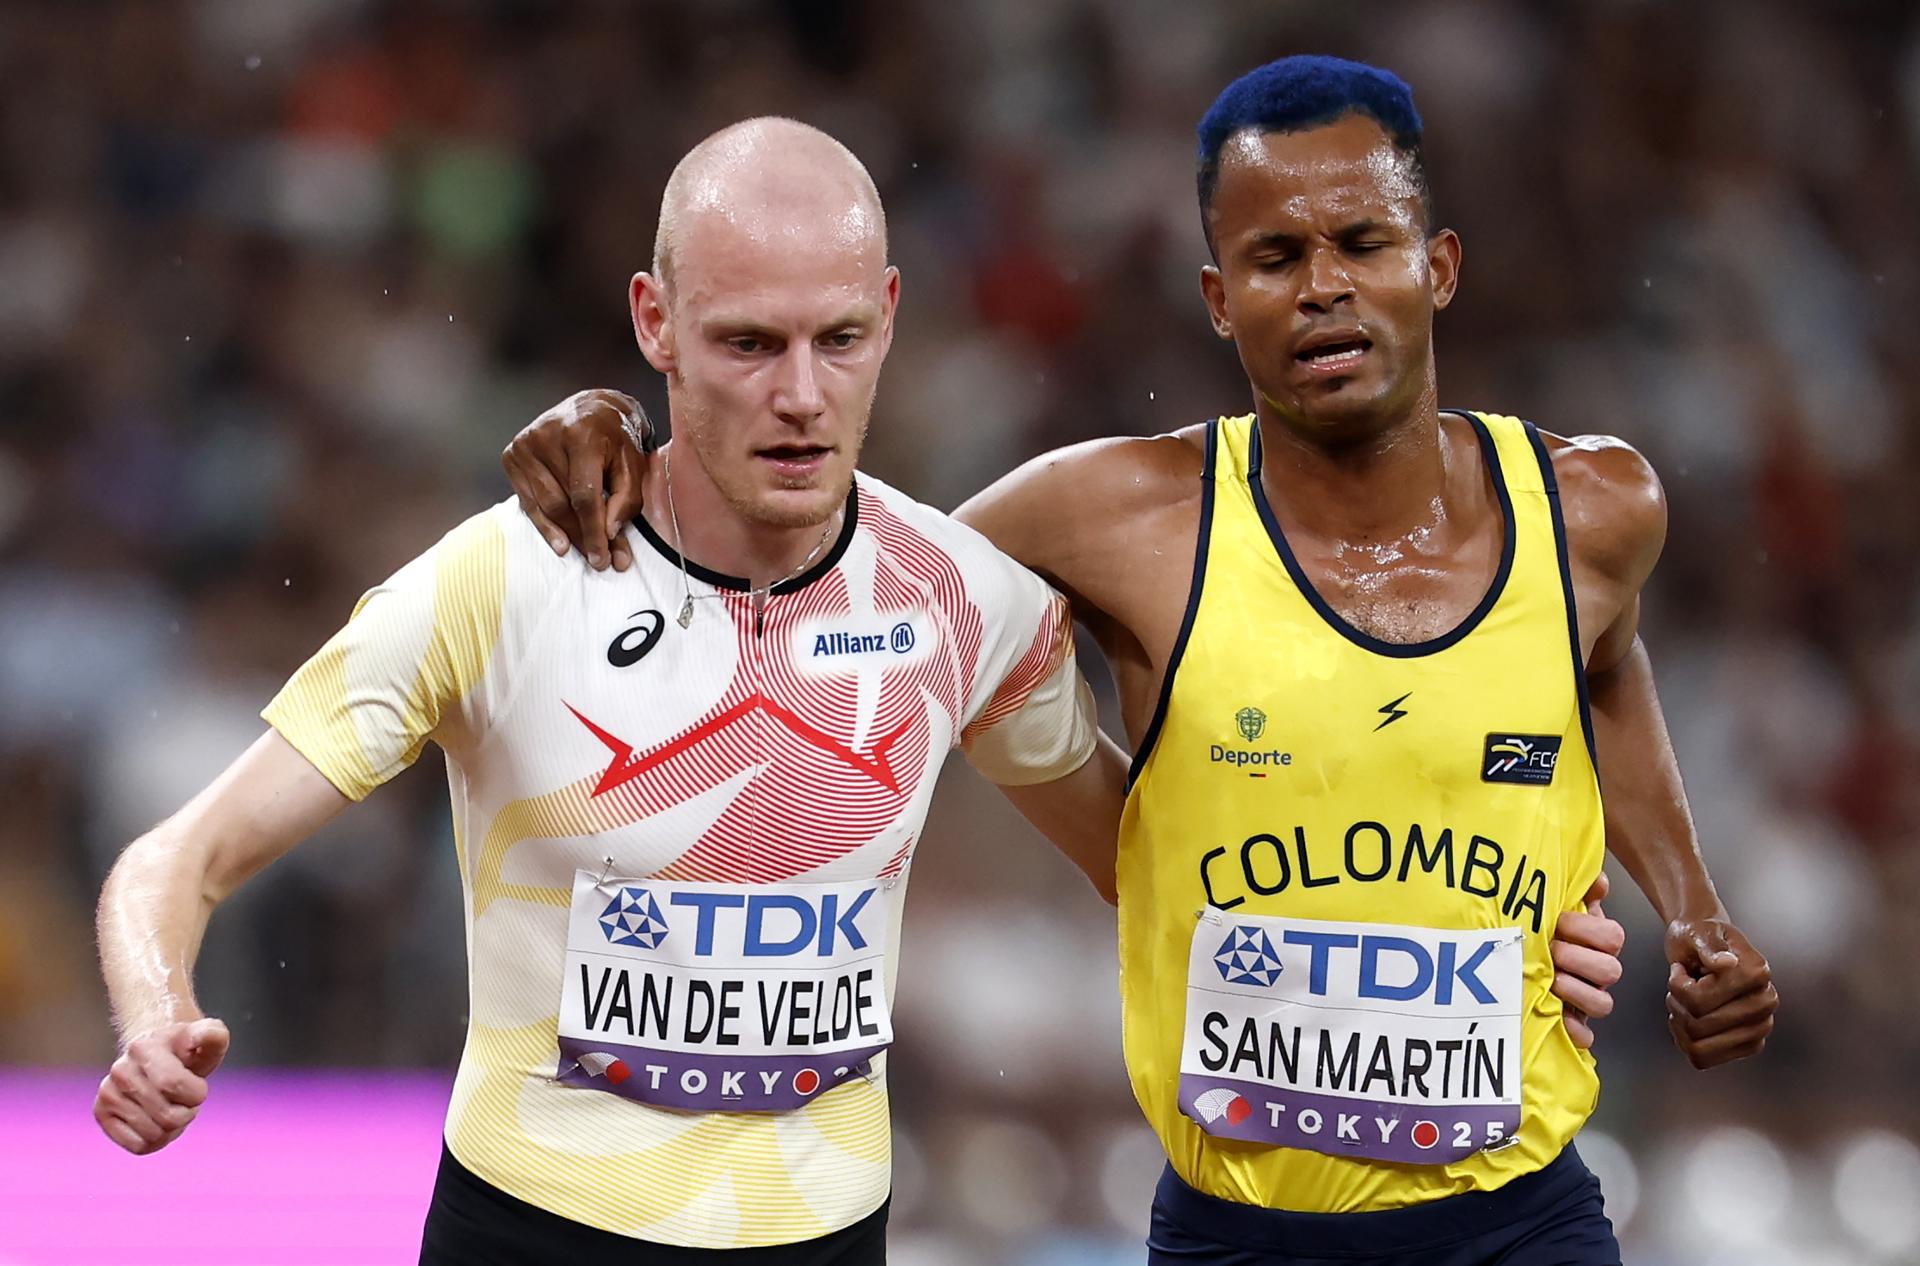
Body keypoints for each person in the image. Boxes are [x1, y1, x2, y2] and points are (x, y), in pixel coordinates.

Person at [501, 58, 1775, 1266]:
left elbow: (1604, 665)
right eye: (1276, 257)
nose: (1322, 286)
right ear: (1220, 299)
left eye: (1363, 245)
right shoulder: (1110, 519)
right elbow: (840, 560)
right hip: (1232, 1230)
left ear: (1437, 268)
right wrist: (629, 423)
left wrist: (1693, 908)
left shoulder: (1596, 512)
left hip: (1517, 1220)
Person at [92, 118, 1139, 1264]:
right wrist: (154, 1016)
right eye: (747, 343)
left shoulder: (965, 599)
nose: (801, 393)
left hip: (829, 1237)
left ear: (890, 313)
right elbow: (174, 860)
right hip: (533, 1231)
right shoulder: (503, 581)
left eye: (839, 339)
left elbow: (1146, 865)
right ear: (654, 322)